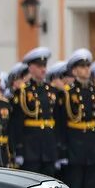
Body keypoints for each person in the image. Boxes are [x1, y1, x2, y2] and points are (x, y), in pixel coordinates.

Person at [57, 49, 95, 188]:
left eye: (88, 66)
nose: (86, 70)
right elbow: (61, 123)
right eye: (82, 66)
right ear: (74, 71)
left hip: (92, 145)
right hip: (75, 145)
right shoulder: (66, 94)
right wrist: (63, 149)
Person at [9, 47, 59, 177]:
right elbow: (17, 123)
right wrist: (19, 149)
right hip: (30, 148)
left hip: (49, 146)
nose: (43, 69)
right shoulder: (22, 92)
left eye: (44, 65)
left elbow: (58, 120)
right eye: (39, 66)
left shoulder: (52, 91)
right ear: (30, 68)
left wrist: (58, 148)